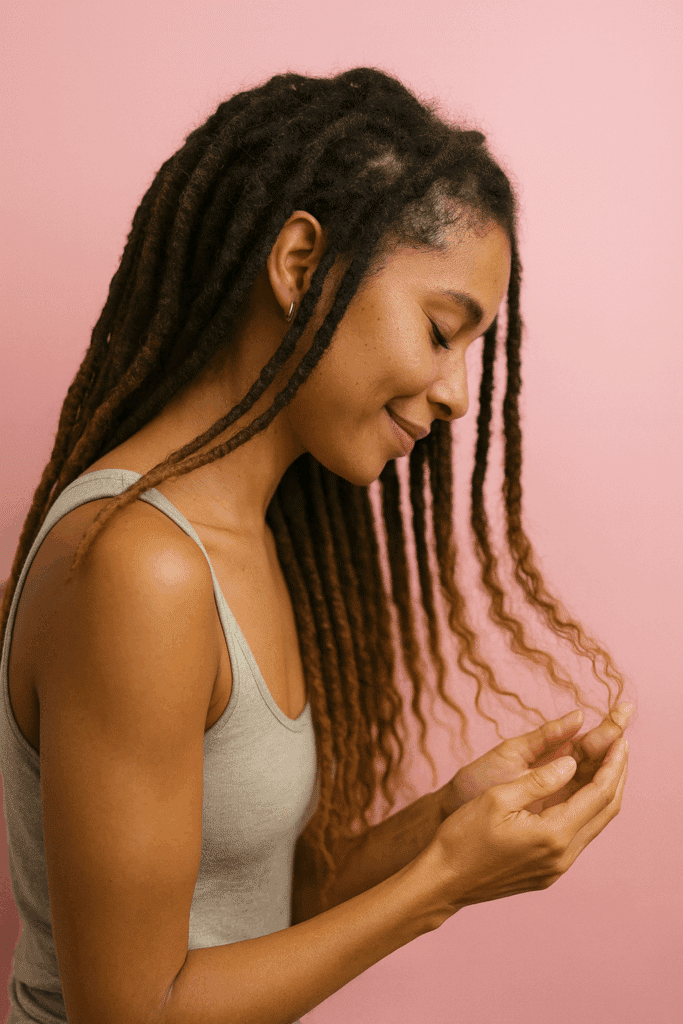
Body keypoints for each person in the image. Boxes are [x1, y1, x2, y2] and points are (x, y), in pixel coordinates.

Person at [0, 67, 633, 1024]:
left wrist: (447, 822)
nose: (460, 393)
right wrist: (442, 885)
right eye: (438, 330)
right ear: (300, 267)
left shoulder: (246, 537)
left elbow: (259, 916)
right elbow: (130, 1014)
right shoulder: (141, 568)